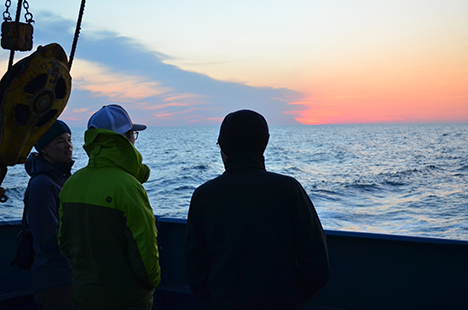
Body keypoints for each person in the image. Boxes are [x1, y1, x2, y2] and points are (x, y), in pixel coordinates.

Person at [184, 109, 330, 310]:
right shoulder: (288, 190)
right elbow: (317, 263)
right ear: (264, 143)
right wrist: (292, 296)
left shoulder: (204, 196)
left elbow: (194, 267)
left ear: (223, 147)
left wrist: (218, 296)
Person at [58, 104, 161, 310]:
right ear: (126, 139)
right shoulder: (128, 187)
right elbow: (144, 254)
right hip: (126, 300)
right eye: (133, 135)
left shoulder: (71, 184)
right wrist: (152, 283)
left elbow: (65, 244)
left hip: (84, 296)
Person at [25, 119, 75, 310]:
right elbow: (47, 238)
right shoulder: (43, 185)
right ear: (44, 149)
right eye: (60, 142)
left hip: (70, 274)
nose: (68, 146)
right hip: (55, 280)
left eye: (69, 139)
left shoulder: (61, 178)